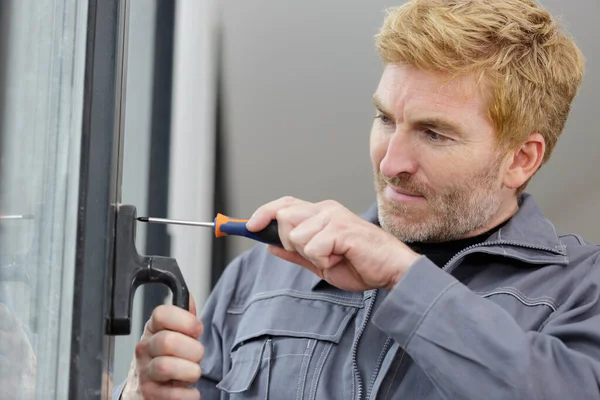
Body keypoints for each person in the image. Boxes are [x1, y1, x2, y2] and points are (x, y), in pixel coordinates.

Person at [115, 0, 600, 399]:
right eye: (386, 119)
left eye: (434, 134)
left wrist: (402, 276)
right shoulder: (262, 276)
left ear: (521, 158)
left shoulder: (584, 291)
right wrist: (138, 396)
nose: (391, 163)